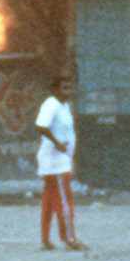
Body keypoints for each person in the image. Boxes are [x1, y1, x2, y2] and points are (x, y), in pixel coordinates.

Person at [33, 72, 85, 250]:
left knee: (49, 200)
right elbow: (41, 125)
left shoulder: (64, 106)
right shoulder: (51, 104)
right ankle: (69, 239)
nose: (68, 91)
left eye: (70, 87)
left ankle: (45, 239)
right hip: (54, 160)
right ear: (55, 89)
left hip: (60, 159)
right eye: (64, 88)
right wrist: (57, 144)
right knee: (64, 200)